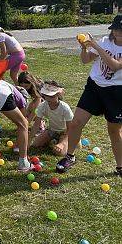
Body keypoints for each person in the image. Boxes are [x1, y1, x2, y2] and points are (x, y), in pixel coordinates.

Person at [56, 16, 122, 176]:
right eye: (116, 29)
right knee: (76, 123)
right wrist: (84, 48)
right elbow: (85, 60)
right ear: (112, 29)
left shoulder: (101, 44)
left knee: (114, 131)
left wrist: (96, 46)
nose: (118, 32)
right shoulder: (105, 41)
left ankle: (120, 167)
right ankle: (70, 157)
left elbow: (115, 66)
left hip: (117, 92)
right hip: (94, 87)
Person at [30, 81, 73, 156]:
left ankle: (69, 140)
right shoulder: (42, 106)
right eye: (46, 96)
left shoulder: (65, 108)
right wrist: (28, 140)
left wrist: (62, 143)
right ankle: (54, 140)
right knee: (35, 145)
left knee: (60, 153)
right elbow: (36, 125)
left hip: (64, 132)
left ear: (58, 95)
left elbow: (70, 128)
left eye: (52, 96)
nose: (48, 99)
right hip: (51, 130)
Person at [0, 16, 25, 85]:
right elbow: (6, 51)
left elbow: (3, 53)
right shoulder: (3, 34)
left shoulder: (0, 36)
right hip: (21, 54)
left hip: (16, 56)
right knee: (13, 75)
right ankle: (21, 89)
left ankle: (4, 87)